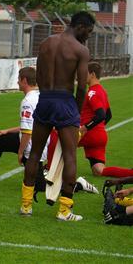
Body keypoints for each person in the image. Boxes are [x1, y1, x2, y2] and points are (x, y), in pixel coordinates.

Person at [21, 11, 94, 222]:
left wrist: (45, 95)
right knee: (70, 155)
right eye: (87, 32)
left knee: (34, 153)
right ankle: (64, 210)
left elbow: (40, 74)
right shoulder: (81, 49)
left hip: (45, 99)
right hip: (64, 101)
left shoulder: (46, 43)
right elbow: (81, 85)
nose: (87, 37)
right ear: (80, 27)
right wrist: (77, 111)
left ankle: (26, 205)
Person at [0, 67, 48, 185]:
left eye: (18, 79)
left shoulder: (27, 102)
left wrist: (20, 152)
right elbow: (32, 125)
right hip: (42, 143)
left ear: (24, 80)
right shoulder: (41, 96)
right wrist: (7, 131)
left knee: (39, 185)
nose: (17, 82)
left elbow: (27, 131)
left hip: (31, 147)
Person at [78, 62, 133, 178]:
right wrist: (97, 128)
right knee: (98, 171)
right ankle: (131, 173)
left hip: (89, 135)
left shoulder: (92, 92)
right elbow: (109, 115)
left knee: (58, 138)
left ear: (92, 74)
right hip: (99, 136)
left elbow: (101, 115)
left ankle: (47, 170)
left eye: (85, 73)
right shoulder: (102, 91)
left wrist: (85, 128)